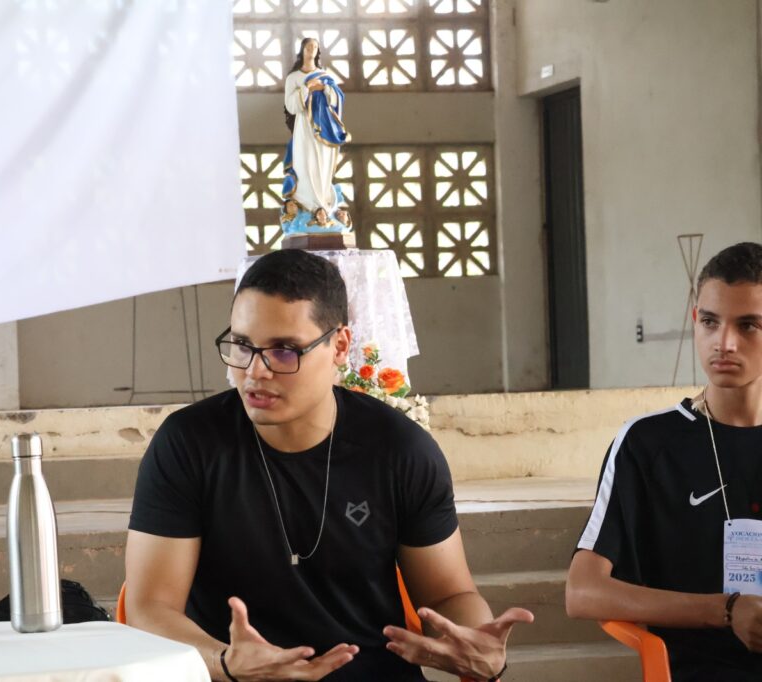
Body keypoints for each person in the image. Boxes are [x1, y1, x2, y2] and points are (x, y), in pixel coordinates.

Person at [125, 249, 532, 681]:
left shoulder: (400, 450)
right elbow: (150, 608)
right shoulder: (188, 444)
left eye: (284, 350)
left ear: (339, 346)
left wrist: (474, 641)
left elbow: (448, 594)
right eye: (243, 346)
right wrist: (225, 661)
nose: (255, 371)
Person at [567, 241, 762, 681]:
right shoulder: (647, 443)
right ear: (695, 321)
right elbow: (582, 591)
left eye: (749, 324)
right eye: (710, 322)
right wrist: (726, 610)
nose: (724, 343)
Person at [282, 38, 349, 220]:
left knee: (323, 164)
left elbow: (337, 99)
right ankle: (307, 204)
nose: (312, 49)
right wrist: (306, 88)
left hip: (324, 126)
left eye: (315, 47)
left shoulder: (324, 76)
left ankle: (324, 205)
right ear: (302, 50)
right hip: (304, 125)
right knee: (306, 162)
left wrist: (325, 88)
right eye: (308, 46)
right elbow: (291, 106)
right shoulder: (293, 78)